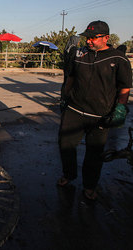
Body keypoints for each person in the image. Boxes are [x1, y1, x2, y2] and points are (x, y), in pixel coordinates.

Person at [57, 21, 132, 200]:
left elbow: (124, 88)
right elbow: (71, 78)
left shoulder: (118, 59)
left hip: (100, 116)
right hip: (74, 110)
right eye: (87, 38)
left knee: (94, 153)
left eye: (93, 38)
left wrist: (120, 108)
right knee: (65, 145)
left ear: (106, 37)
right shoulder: (79, 54)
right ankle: (69, 174)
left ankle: (90, 186)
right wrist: (64, 97)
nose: (89, 41)